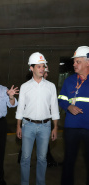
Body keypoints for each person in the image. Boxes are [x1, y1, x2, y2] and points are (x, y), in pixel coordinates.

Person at [16, 52, 60, 185]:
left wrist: (55, 127)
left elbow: (54, 108)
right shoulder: (25, 87)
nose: (42, 69)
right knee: (25, 158)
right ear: (31, 68)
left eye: (43, 66)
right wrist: (18, 126)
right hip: (27, 126)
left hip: (45, 127)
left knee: (42, 158)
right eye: (39, 66)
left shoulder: (51, 86)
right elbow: (20, 109)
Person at [58, 46, 89, 185]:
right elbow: (61, 99)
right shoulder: (69, 81)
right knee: (69, 160)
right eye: (74, 61)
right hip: (71, 128)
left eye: (78, 62)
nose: (74, 64)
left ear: (87, 63)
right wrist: (68, 106)